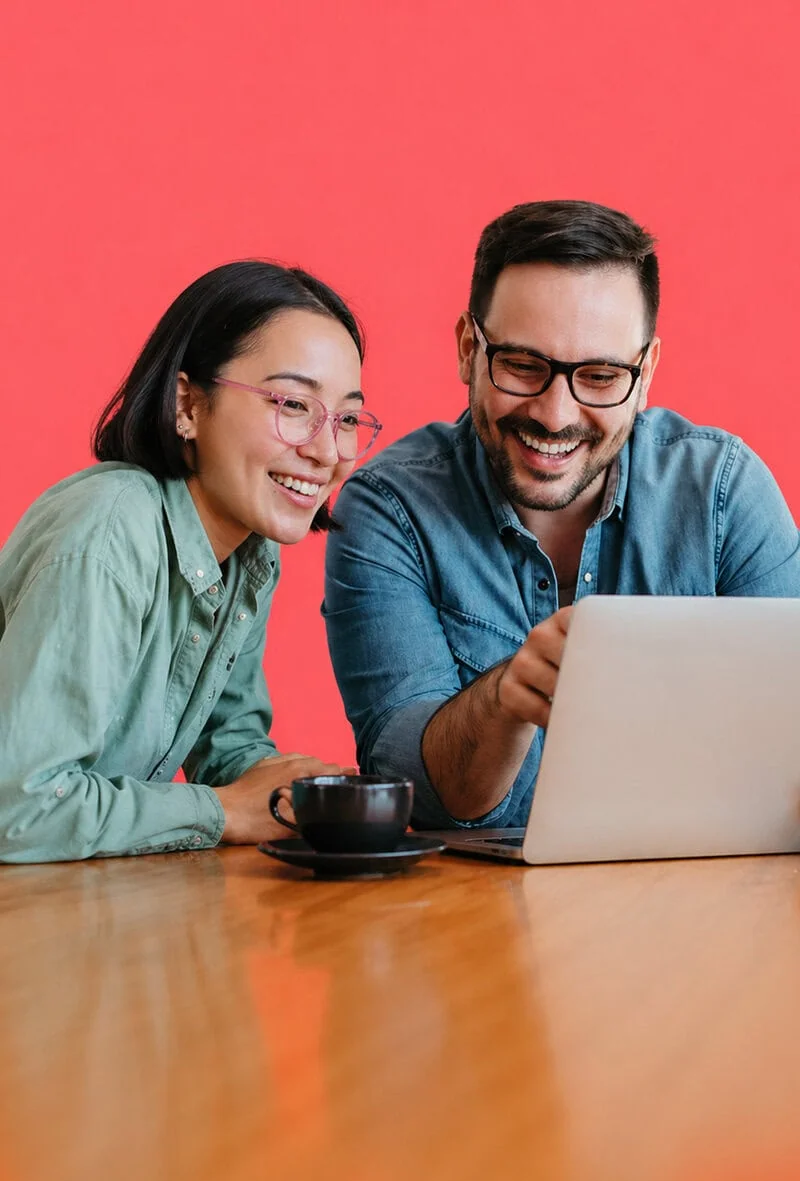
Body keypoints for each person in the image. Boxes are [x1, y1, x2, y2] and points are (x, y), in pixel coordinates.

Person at [323, 200, 800, 831]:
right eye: (523, 366)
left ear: (646, 371)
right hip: (476, 919)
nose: (555, 414)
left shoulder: (722, 491)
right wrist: (505, 698)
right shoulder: (389, 510)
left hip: (703, 904)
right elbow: (412, 790)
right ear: (470, 348)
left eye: (601, 376)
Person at [0, 261, 382, 862]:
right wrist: (224, 811)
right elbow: (18, 808)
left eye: (348, 418)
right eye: (293, 404)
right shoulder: (110, 529)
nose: (327, 450)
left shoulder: (248, 550)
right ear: (188, 405)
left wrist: (307, 792)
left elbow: (228, 744)